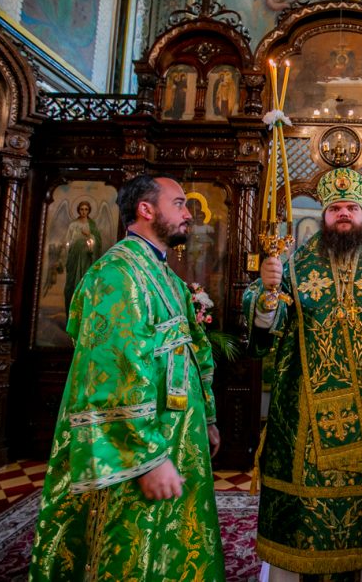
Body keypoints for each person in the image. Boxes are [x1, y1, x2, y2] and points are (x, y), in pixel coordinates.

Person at [242, 167, 362, 580]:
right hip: (305, 417)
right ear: (324, 215)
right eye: (336, 208)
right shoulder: (292, 266)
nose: (345, 214)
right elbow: (264, 324)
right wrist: (266, 294)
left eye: (352, 207)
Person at [29, 174, 225, 581]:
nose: (188, 214)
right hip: (139, 444)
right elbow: (114, 372)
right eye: (179, 203)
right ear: (145, 209)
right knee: (126, 545)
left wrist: (206, 417)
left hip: (175, 433)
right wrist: (145, 457)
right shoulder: (117, 274)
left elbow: (194, 349)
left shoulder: (165, 275)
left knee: (169, 540)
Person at [62, 199, 103, 311]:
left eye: (86, 209)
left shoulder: (92, 225)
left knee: (84, 283)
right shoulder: (73, 225)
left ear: (89, 211)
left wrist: (90, 235)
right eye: (81, 209)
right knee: (72, 284)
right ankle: (71, 311)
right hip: (74, 257)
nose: (84, 212)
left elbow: (98, 242)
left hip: (87, 258)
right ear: (78, 210)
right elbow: (67, 241)